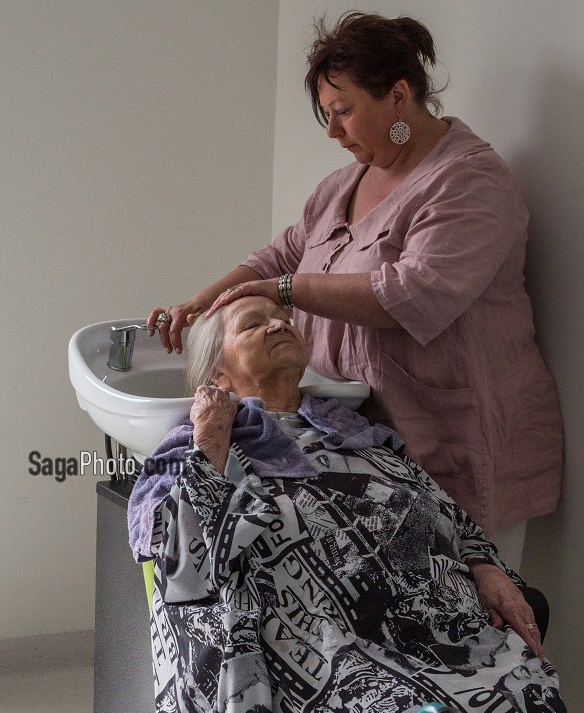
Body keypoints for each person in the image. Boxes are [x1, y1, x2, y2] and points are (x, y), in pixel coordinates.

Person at [128, 295, 572, 713]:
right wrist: (211, 450)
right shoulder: (191, 453)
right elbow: (185, 577)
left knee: (530, 691)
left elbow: (443, 515)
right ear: (216, 376)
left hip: (428, 636)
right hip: (316, 662)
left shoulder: (361, 438)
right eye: (252, 325)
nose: (279, 324)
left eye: (280, 318)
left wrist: (484, 565)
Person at [146, 12, 562, 569]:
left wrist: (286, 291)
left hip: (460, 435)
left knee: (474, 608)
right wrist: (203, 302)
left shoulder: (470, 182)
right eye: (328, 114)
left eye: (344, 111)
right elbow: (280, 255)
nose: (333, 132)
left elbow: (413, 292)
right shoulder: (343, 185)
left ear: (397, 96)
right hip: (374, 441)